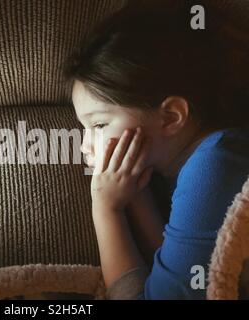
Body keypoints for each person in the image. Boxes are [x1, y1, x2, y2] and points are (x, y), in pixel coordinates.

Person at [62, 6, 249, 299]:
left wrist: (105, 208)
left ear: (171, 117)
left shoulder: (215, 165)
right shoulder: (189, 165)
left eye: (98, 124)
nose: (85, 145)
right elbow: (167, 269)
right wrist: (137, 196)